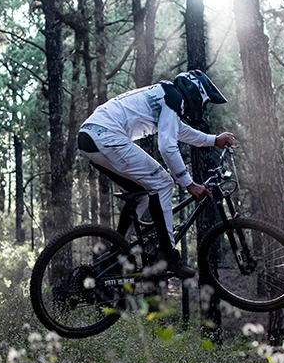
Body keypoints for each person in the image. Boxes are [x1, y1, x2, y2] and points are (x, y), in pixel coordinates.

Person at [77, 69, 236, 279]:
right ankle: (168, 255)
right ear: (196, 93)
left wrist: (213, 140)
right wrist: (188, 183)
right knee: (163, 183)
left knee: (141, 194)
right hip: (106, 136)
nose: (201, 107)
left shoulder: (166, 94)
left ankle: (116, 253)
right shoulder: (173, 99)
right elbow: (167, 147)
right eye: (203, 102)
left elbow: (180, 131)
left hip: (90, 138)